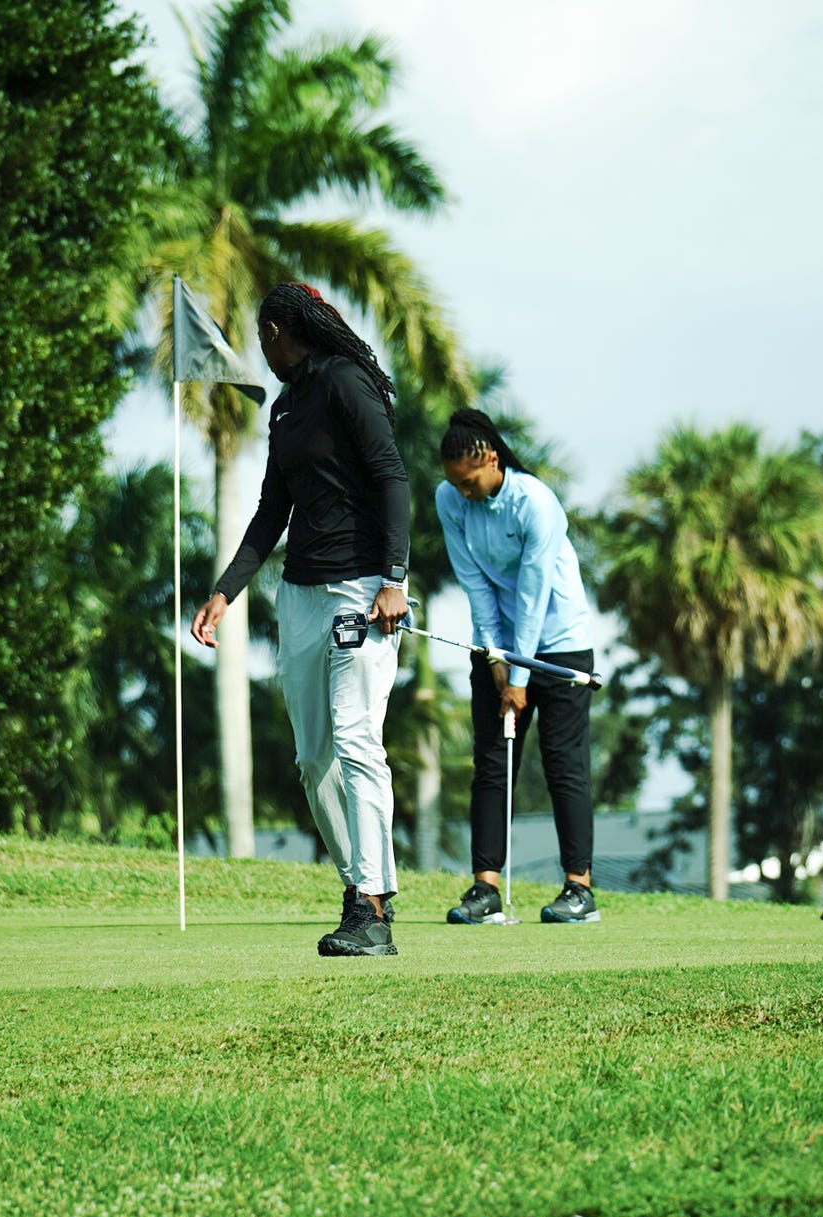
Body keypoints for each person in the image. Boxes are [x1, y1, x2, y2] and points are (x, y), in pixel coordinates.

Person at [191, 282, 410, 957]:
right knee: (313, 760)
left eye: (264, 336)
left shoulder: (346, 382)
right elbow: (269, 513)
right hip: (300, 595)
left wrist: (395, 581)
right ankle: (358, 891)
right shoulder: (285, 409)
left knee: (355, 740)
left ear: (284, 329)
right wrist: (226, 592)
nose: (262, 348)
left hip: (362, 592)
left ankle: (373, 906)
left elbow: (392, 478)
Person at [435, 408, 600, 924]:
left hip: (561, 645)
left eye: (469, 481)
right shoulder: (451, 501)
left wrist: (521, 678)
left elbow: (532, 594)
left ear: (488, 458)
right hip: (500, 646)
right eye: (455, 484)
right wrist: (494, 658)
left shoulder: (535, 503)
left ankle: (579, 889)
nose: (462, 492)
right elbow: (476, 587)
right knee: (490, 764)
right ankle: (485, 890)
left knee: (563, 765)